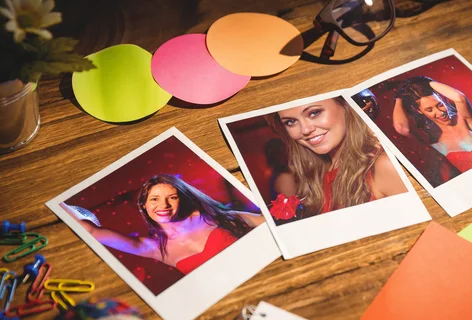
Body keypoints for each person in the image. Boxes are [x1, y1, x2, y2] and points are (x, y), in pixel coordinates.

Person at [61, 174, 264, 275]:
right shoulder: (154, 248)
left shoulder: (210, 217)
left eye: (171, 197)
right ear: (144, 205)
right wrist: (57, 202)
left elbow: (269, 222)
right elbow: (91, 230)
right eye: (154, 199)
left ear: (181, 199)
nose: (163, 205)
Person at [264, 96, 406, 218]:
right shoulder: (315, 176)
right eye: (291, 122)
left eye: (314, 113)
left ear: (345, 106)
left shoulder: (382, 166)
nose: (305, 130)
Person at [392, 76, 472, 174]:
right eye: (429, 110)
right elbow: (401, 128)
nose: (440, 113)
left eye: (440, 104)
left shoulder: (462, 119)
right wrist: (398, 98)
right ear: (419, 111)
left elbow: (459, 98)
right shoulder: (432, 139)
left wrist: (427, 82)